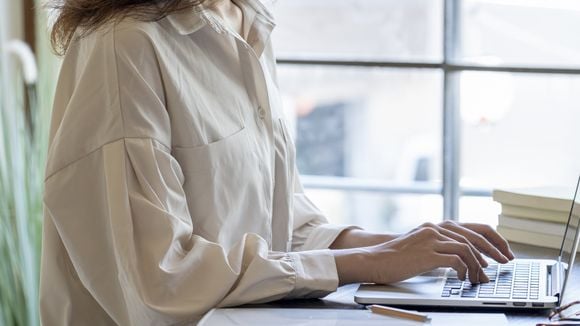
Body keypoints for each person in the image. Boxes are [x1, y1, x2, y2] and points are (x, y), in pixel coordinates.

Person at [40, 0, 515, 325]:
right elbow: (158, 282)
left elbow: (280, 224)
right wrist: (367, 261)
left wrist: (411, 248)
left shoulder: (244, 20)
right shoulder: (124, 46)